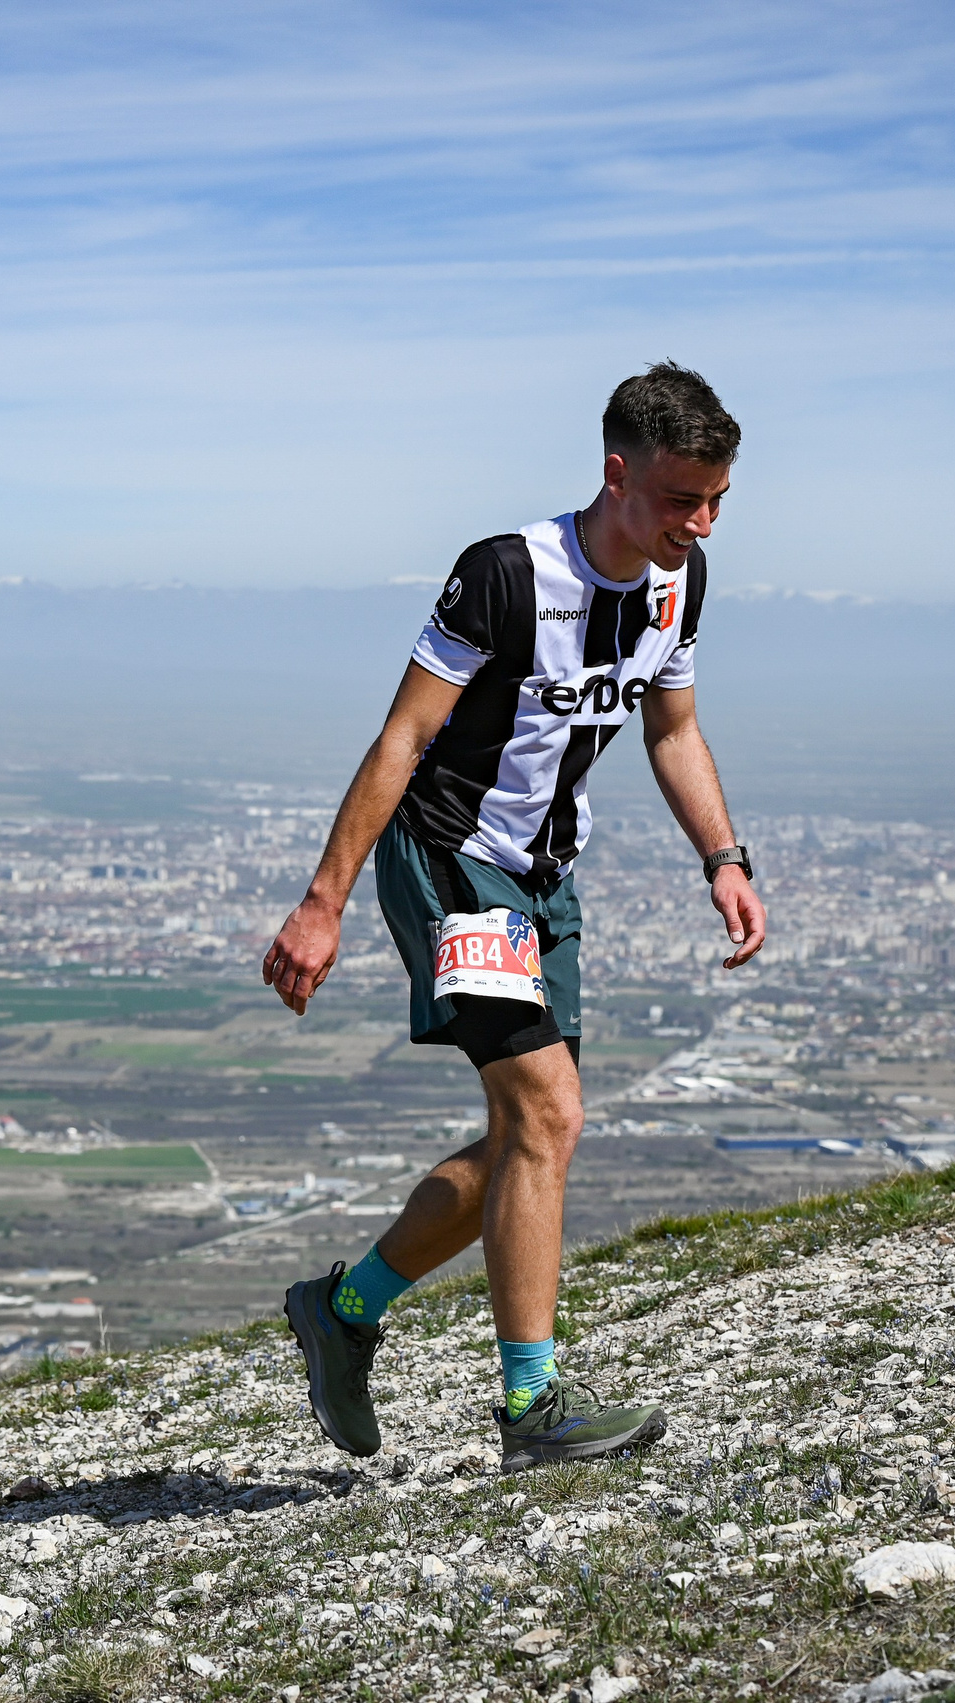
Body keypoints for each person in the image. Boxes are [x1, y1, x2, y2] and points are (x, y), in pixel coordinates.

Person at [266, 364, 767, 1472]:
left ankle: (345, 1308)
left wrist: (720, 857)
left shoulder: (681, 584)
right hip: (449, 857)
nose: (702, 521)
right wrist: (322, 903)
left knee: (521, 1143)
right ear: (616, 471)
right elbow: (401, 737)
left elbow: (672, 731)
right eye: (682, 497)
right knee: (548, 1114)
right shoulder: (503, 573)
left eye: (718, 499)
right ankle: (531, 1407)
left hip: (547, 880)